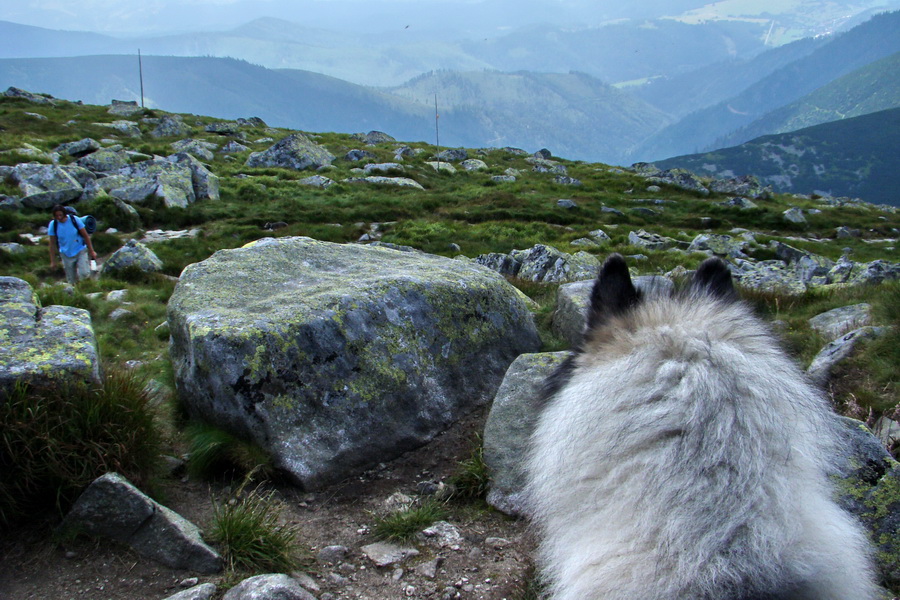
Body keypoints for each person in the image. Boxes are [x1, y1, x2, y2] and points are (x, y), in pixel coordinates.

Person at [48, 204, 97, 284]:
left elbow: (85, 236)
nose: (59, 217)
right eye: (56, 216)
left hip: (80, 249)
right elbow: (52, 244)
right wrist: (53, 261)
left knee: (84, 274)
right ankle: (76, 293)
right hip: (65, 253)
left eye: (60, 215)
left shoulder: (74, 220)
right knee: (71, 280)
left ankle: (86, 288)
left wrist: (92, 251)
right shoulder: (53, 225)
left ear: (64, 214)